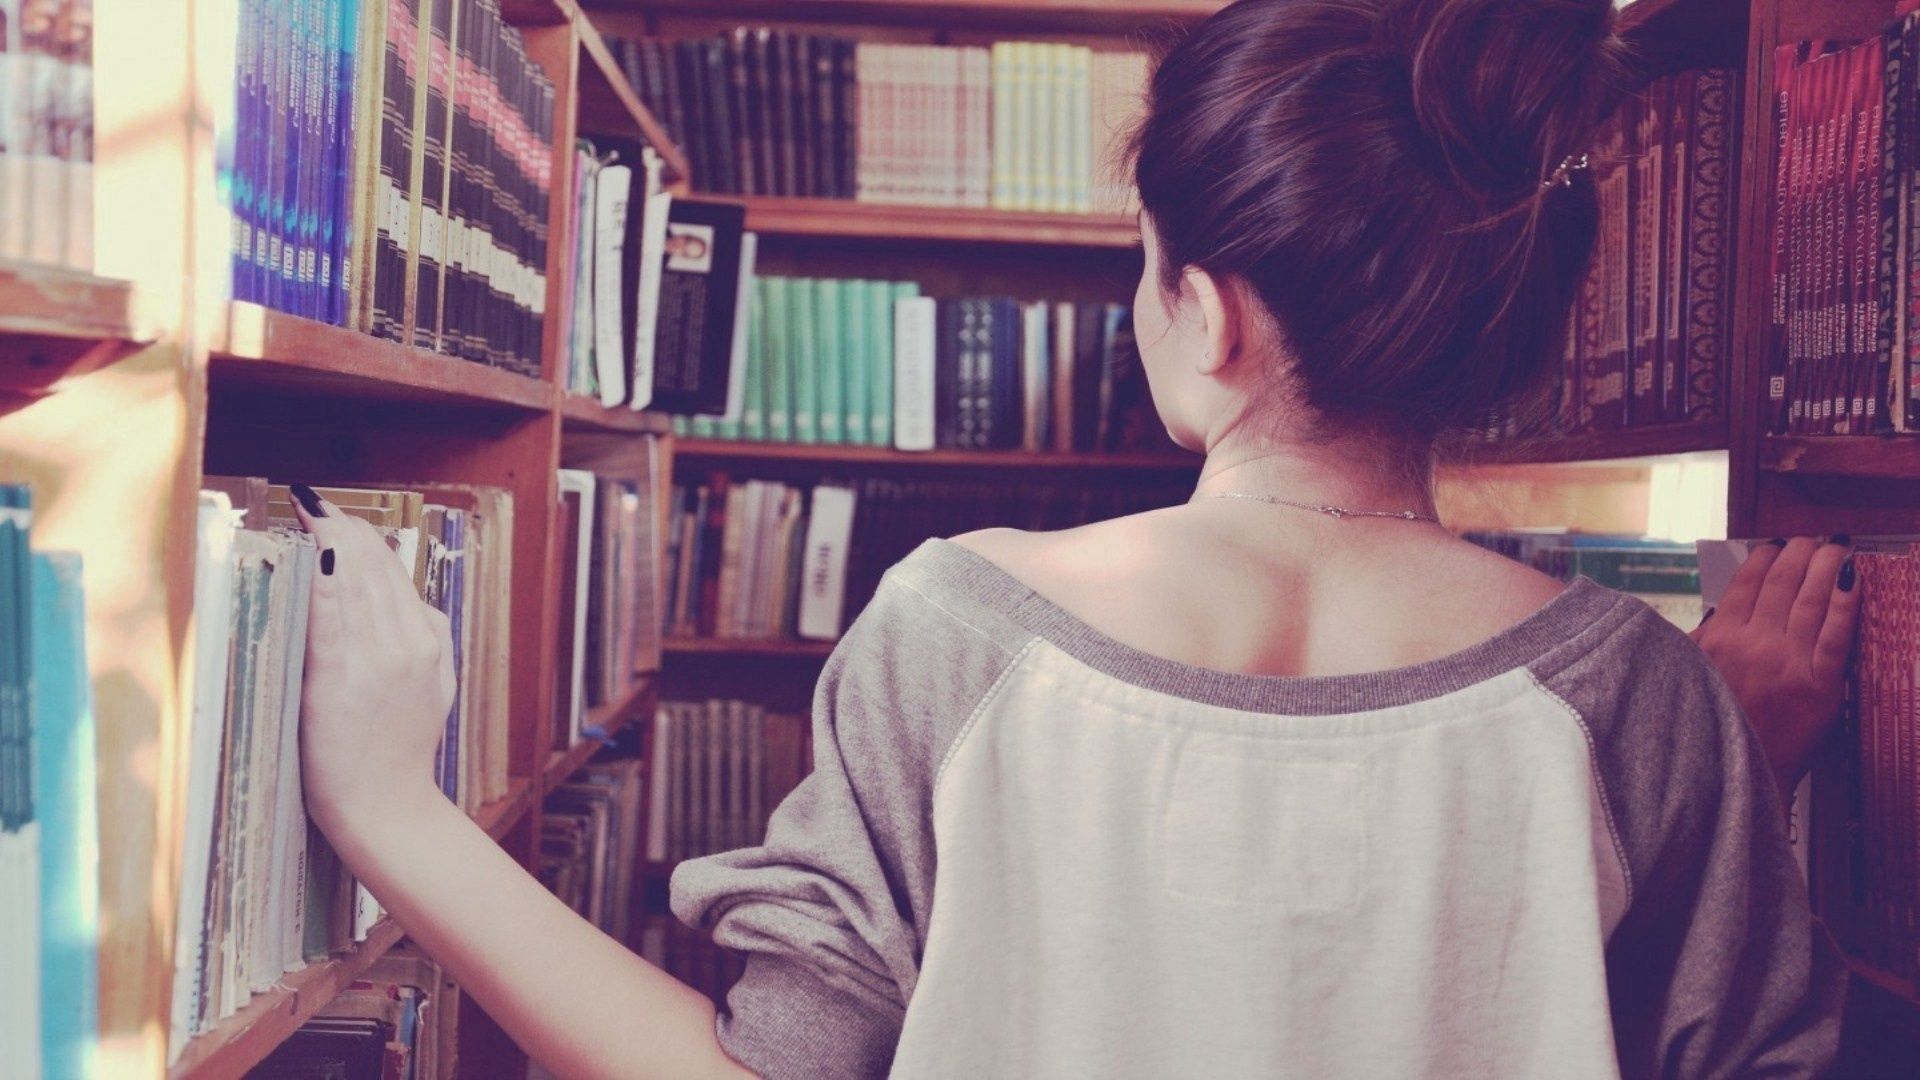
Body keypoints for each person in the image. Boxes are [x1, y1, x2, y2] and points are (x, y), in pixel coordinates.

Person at [287, 0, 1856, 1076]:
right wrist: (1726, 761)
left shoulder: (961, 629)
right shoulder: (1634, 698)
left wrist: (386, 805)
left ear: (1210, 312)